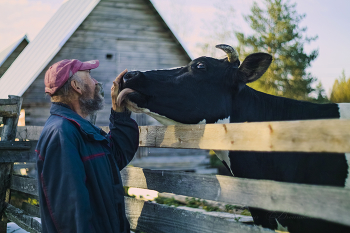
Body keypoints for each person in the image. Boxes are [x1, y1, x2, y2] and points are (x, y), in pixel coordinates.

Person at [36, 59, 139, 233]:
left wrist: (119, 113)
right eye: (90, 76)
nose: (96, 82)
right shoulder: (62, 134)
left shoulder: (78, 129)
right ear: (77, 86)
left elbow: (115, 157)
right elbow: (70, 213)